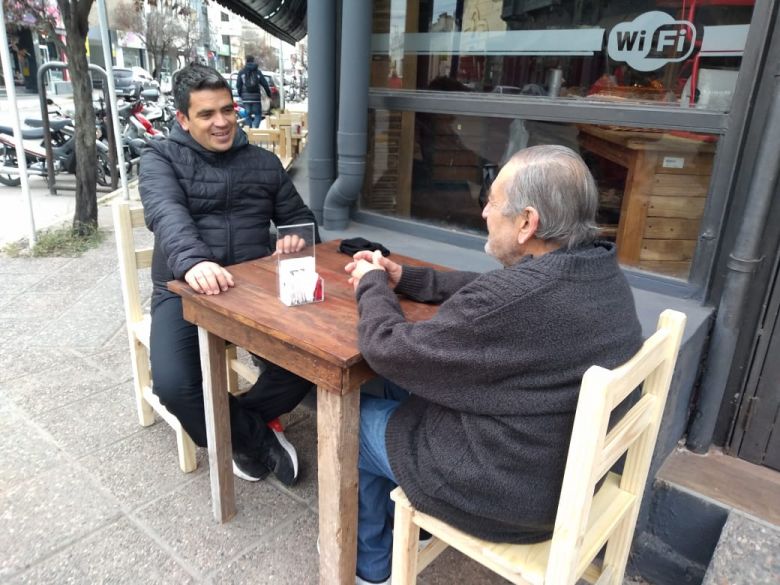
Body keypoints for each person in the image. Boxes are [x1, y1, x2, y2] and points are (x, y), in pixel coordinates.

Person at [344, 145, 643, 585]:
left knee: (352, 419)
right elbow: (496, 290)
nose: (484, 211)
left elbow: (385, 347)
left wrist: (370, 286)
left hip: (510, 493)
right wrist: (405, 278)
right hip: (558, 475)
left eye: (492, 202)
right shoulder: (597, 269)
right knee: (396, 391)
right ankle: (420, 532)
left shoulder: (517, 301)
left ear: (527, 222)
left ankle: (370, 567)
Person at [139, 63, 318, 486]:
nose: (221, 122)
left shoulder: (264, 162)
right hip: (183, 288)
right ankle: (255, 440)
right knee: (174, 385)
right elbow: (167, 214)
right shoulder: (159, 157)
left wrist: (294, 239)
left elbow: (301, 220)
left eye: (227, 110)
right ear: (182, 118)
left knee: (308, 365)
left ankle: (237, 426)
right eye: (206, 114)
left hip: (253, 289)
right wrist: (194, 261)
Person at [236, 55, 272, 128]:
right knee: (258, 114)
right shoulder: (258, 72)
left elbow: (238, 85)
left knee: (247, 114)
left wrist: (240, 95)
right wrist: (269, 95)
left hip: (245, 98)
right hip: (256, 98)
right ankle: (255, 127)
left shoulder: (242, 72)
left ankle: (250, 130)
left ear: (246, 61)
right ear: (253, 61)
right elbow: (265, 84)